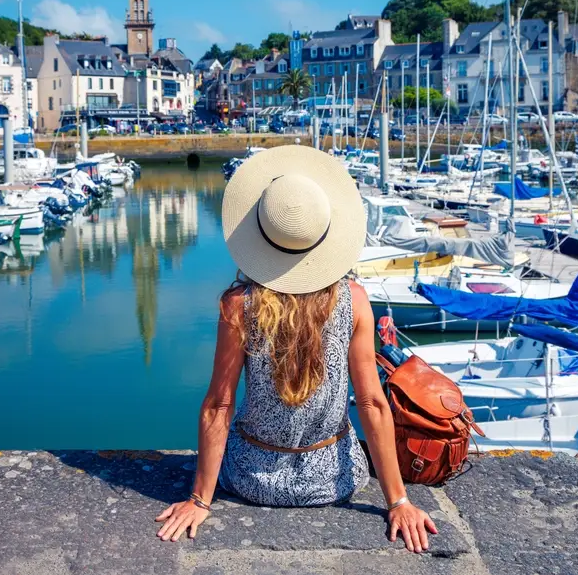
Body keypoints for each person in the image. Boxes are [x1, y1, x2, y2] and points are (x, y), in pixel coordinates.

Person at [155, 145, 437, 552]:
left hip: (253, 477)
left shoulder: (239, 305)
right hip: (334, 479)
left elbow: (219, 404)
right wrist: (399, 500)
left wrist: (201, 499)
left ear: (260, 233)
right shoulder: (354, 299)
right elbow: (373, 402)